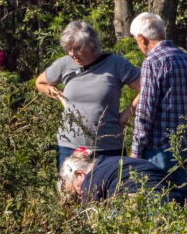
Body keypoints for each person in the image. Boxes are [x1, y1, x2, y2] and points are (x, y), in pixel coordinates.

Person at [35, 20, 140, 173]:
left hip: (108, 148)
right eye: (68, 49)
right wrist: (61, 98)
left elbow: (146, 88)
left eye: (77, 49)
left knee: (109, 194)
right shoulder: (64, 64)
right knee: (71, 193)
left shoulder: (116, 64)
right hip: (69, 147)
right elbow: (40, 82)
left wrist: (127, 113)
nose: (72, 54)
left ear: (91, 43)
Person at [128, 12, 187, 196]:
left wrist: (135, 153)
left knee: (159, 208)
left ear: (142, 38)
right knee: (186, 206)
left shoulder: (152, 62)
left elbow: (145, 112)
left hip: (160, 151)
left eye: (136, 41)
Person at [56, 149, 187, 204]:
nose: (80, 196)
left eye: (77, 191)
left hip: (148, 203)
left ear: (79, 174)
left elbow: (89, 218)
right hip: (176, 198)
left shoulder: (91, 180)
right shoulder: (111, 162)